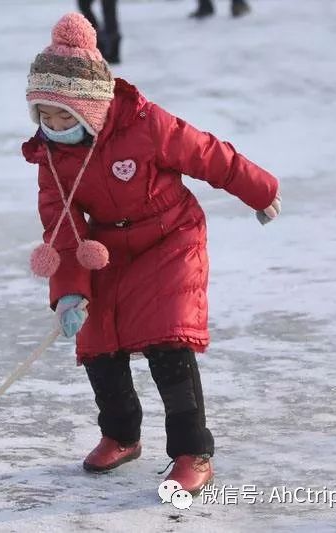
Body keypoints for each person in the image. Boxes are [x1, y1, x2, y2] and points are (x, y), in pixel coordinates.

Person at [22, 13, 280, 494]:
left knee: (167, 339)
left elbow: (207, 153)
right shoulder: (52, 158)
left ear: (92, 108)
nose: (54, 127)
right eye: (45, 117)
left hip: (169, 237)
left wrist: (259, 190)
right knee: (98, 342)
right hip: (105, 249)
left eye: (65, 117)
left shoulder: (145, 123)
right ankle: (121, 434)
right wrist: (70, 293)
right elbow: (62, 227)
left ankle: (191, 449)